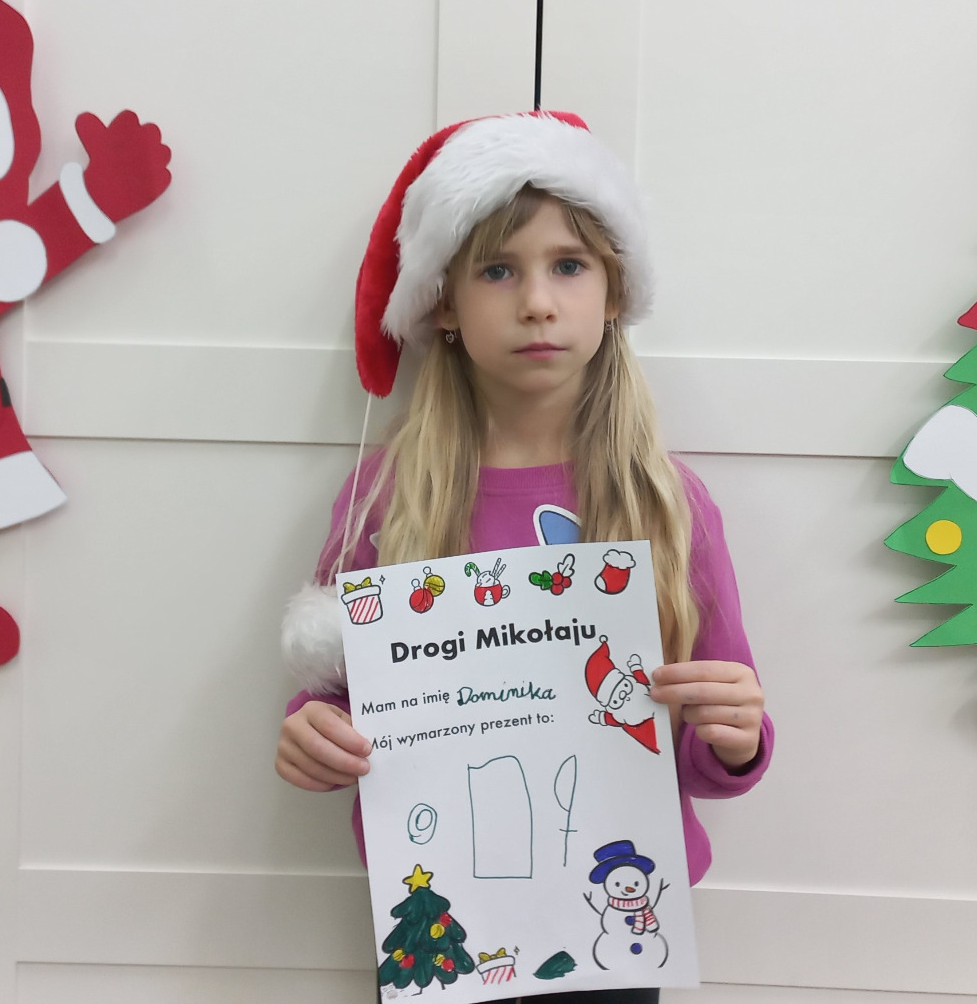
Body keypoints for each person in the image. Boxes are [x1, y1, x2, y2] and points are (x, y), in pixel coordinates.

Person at [273, 111, 774, 1004]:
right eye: (497, 270)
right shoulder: (388, 498)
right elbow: (337, 703)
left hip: (616, 922)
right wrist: (314, 734)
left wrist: (734, 739)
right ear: (444, 305)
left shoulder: (665, 502)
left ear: (614, 292)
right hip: (437, 926)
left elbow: (715, 742)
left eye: (568, 266)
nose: (536, 301)